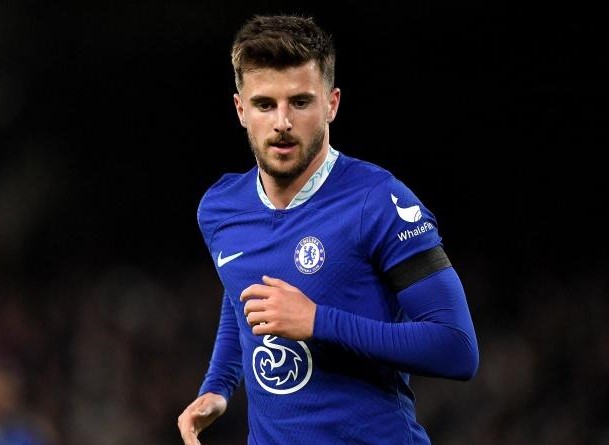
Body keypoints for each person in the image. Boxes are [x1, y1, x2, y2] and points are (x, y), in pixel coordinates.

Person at [177, 13, 479, 445]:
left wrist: (318, 321)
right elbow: (241, 289)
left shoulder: (378, 201)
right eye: (265, 105)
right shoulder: (220, 208)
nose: (282, 122)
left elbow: (457, 348)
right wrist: (218, 385)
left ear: (331, 104)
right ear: (241, 110)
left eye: (300, 102)